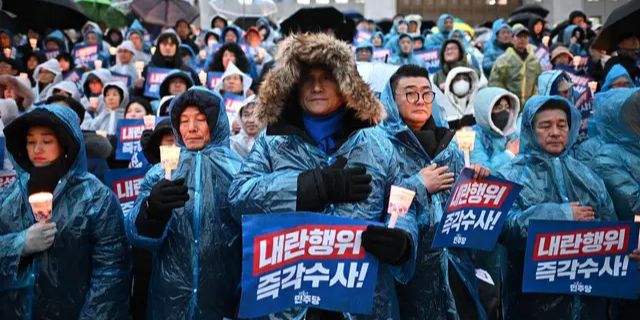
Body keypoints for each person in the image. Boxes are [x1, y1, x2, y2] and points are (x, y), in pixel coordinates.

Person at [229, 33, 418, 320]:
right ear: (294, 86)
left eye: (327, 77)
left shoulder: (378, 143)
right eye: (307, 78)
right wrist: (311, 186)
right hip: (291, 300)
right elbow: (239, 198)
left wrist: (402, 239)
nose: (316, 86)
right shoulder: (272, 141)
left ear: (346, 84)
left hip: (362, 298)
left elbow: (403, 201)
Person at [379, 64, 490, 320]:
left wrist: (477, 182)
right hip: (409, 273)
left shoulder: (449, 147)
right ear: (391, 99)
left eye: (426, 93)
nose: (420, 100)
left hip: (455, 267)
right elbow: (373, 207)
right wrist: (417, 185)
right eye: (410, 93)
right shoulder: (379, 145)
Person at [0, 104, 130, 319]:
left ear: (64, 143)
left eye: (47, 141)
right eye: (31, 142)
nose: (37, 149)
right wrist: (19, 244)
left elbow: (111, 272)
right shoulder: (10, 195)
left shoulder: (95, 197)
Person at [125, 88, 242, 319]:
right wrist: (152, 211)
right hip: (168, 297)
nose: (191, 128)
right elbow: (134, 233)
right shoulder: (159, 173)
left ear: (216, 123)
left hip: (222, 294)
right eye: (184, 121)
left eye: (201, 120)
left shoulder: (238, 170)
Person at [497, 95, 616, 320]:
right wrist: (560, 214)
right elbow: (504, 228)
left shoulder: (587, 175)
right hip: (533, 305)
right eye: (545, 125)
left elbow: (612, 227)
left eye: (562, 125)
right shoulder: (510, 175)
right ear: (530, 129)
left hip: (590, 301)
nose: (554, 132)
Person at [489, 24, 541, 106]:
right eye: (519, 36)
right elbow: (495, 82)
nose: (522, 39)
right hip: (510, 105)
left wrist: (535, 99)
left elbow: (538, 83)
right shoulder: (503, 60)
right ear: (512, 39)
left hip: (530, 105)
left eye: (525, 37)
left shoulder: (534, 60)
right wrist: (505, 100)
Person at [471, 87, 520, 172]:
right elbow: (483, 172)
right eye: (498, 108)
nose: (504, 112)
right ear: (486, 111)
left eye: (507, 107)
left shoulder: (511, 133)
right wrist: (509, 154)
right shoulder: (474, 136)